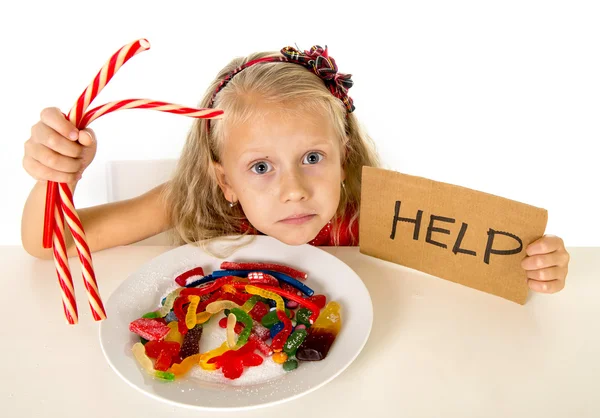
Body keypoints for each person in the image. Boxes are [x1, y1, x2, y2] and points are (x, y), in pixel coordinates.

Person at [20, 45, 570, 294]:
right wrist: (57, 176)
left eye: (313, 158)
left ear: (344, 157)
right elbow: (50, 246)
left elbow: (491, 254)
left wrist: (532, 261)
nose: (294, 190)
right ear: (224, 182)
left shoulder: (378, 210)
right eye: (260, 166)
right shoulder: (190, 200)